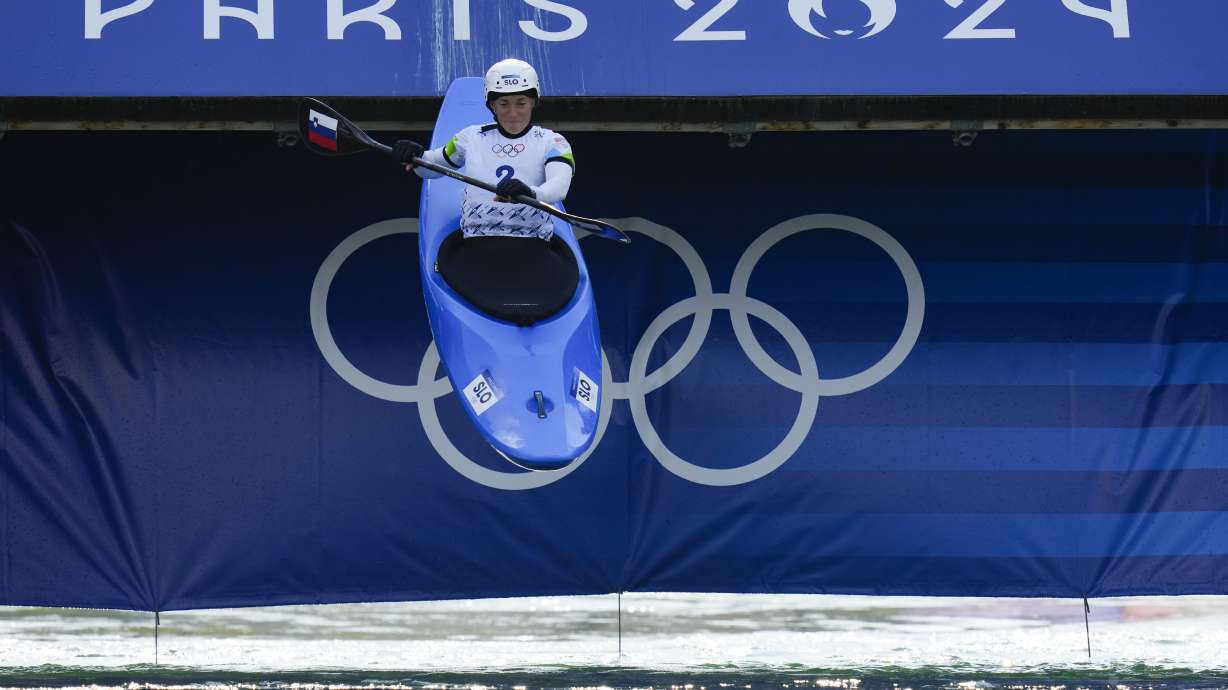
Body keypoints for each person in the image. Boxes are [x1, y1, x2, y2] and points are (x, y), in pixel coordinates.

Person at [392, 58, 576, 241]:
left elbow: (559, 187)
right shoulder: (470, 137)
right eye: (504, 104)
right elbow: (430, 167)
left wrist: (531, 193)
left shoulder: (554, 141)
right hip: (478, 239)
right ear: (492, 105)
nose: (513, 113)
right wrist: (415, 155)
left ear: (534, 102)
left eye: (521, 103)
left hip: (532, 239)